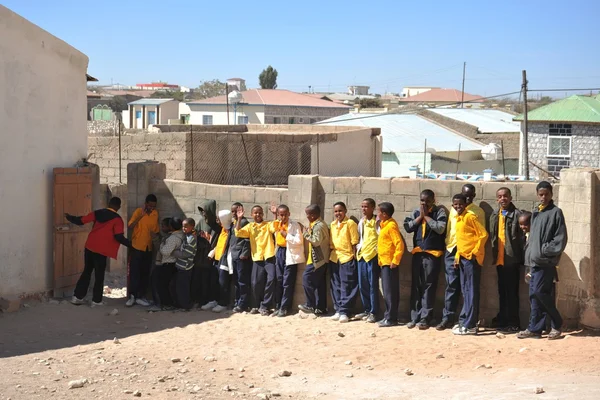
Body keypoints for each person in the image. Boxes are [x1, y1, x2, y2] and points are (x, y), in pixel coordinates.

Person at [517, 181, 567, 340]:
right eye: (540, 194)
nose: (543, 197)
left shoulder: (556, 213)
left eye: (546, 194)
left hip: (545, 262)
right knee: (533, 295)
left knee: (540, 292)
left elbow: (560, 239)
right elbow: (532, 239)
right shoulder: (536, 213)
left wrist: (545, 251)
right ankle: (535, 328)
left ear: (551, 194)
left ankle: (557, 323)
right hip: (532, 262)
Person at [437, 183, 486, 331]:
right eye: (465, 195)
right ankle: (448, 318)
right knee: (452, 285)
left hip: (469, 254)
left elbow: (482, 235)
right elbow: (451, 230)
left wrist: (475, 252)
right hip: (454, 251)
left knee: (469, 288)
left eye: (470, 196)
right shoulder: (455, 210)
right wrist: (449, 245)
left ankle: (468, 321)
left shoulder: (475, 213)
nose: (468, 198)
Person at [68, 197, 131, 307]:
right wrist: (131, 245)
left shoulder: (98, 213)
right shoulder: (117, 220)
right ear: (119, 207)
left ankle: (77, 297)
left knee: (87, 272)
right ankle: (96, 301)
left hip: (90, 246)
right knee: (99, 275)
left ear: (108, 203)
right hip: (102, 250)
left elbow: (81, 220)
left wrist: (69, 217)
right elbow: (118, 237)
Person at [404, 190, 447, 330]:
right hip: (418, 254)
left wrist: (427, 217)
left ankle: (425, 317)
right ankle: (414, 317)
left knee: (429, 285)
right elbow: (408, 227)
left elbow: (440, 229)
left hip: (432, 255)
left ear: (433, 201)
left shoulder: (439, 212)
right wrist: (420, 217)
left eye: (427, 201)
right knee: (417, 285)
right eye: (422, 201)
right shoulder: (416, 212)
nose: (424, 203)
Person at [451, 194, 488, 335]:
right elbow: (461, 240)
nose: (458, 207)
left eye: (460, 204)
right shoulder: (458, 219)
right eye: (455, 204)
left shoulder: (470, 217)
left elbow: (483, 235)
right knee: (465, 290)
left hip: (471, 260)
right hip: (462, 258)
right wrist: (456, 256)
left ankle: (471, 325)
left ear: (465, 204)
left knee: (471, 291)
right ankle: (465, 321)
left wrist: (475, 252)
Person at [489, 187, 524, 333]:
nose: (502, 199)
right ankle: (503, 319)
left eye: (505, 196)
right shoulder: (494, 215)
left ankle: (514, 322)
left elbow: (522, 238)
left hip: (512, 260)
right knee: (502, 292)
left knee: (512, 293)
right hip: (500, 260)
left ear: (510, 197)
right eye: (500, 196)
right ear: (497, 199)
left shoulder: (517, 215)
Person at [234, 205, 277, 316]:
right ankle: (256, 305)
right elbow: (238, 233)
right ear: (252, 214)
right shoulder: (250, 226)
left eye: (260, 213)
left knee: (271, 279)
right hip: (257, 258)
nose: (257, 215)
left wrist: (275, 214)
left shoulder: (267, 225)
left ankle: (265, 305)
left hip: (269, 256)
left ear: (263, 214)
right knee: (255, 283)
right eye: (255, 213)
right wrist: (239, 219)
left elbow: (275, 227)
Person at [271, 204, 305, 317]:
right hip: (280, 252)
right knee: (279, 280)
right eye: (281, 215)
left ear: (289, 214)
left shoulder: (294, 225)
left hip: (290, 254)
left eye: (285, 214)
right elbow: (272, 229)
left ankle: (285, 307)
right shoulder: (278, 223)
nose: (283, 217)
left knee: (287, 282)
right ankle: (278, 305)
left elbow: (299, 241)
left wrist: (287, 235)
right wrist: (274, 215)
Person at [329, 202, 360, 323]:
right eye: (336, 211)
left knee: (347, 285)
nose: (338, 213)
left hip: (347, 258)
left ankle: (345, 311)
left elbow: (354, 242)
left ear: (345, 211)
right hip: (334, 257)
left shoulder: (350, 224)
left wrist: (353, 258)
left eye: (340, 211)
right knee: (335, 285)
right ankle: (338, 309)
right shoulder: (332, 224)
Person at [127, 194, 159, 307]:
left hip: (148, 248)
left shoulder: (155, 214)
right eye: (150, 206)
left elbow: (156, 230)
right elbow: (130, 226)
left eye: (154, 206)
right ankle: (132, 296)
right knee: (134, 272)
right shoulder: (138, 212)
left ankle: (141, 296)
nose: (152, 208)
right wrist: (141, 216)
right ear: (145, 204)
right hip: (137, 246)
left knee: (145, 273)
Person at [299, 204, 331, 316]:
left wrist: (305, 233)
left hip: (318, 260)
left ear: (313, 215)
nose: (307, 216)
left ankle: (310, 305)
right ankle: (321, 308)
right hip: (321, 259)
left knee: (306, 278)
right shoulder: (318, 224)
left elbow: (316, 241)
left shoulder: (318, 226)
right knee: (320, 284)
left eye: (308, 214)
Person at [377, 202, 404, 327]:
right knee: (387, 291)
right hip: (384, 262)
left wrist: (395, 260)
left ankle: (391, 318)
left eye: (379, 212)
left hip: (390, 264)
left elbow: (399, 244)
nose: (377, 214)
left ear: (384, 214)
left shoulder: (391, 226)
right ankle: (388, 316)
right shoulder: (384, 225)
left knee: (390, 292)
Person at [149, 218, 185, 311]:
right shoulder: (180, 235)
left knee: (162, 285)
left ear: (171, 227)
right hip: (172, 263)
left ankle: (166, 304)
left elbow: (165, 252)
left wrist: (161, 244)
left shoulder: (173, 238)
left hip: (169, 263)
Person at [356, 198, 379, 323]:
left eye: (366, 207)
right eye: (362, 206)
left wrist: (376, 251)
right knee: (362, 284)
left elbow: (380, 238)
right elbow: (361, 237)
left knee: (372, 286)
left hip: (372, 256)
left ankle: (374, 312)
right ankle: (367, 309)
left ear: (372, 208)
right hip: (362, 256)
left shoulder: (377, 221)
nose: (364, 209)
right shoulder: (362, 221)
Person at [196, 200, 221, 311]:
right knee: (198, 279)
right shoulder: (201, 222)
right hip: (199, 256)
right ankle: (198, 300)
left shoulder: (217, 227)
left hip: (210, 257)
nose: (204, 214)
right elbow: (195, 234)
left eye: (206, 211)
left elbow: (220, 242)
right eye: (203, 212)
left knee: (208, 280)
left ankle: (207, 300)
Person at [229, 202, 252, 313]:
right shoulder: (234, 222)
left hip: (241, 256)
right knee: (237, 280)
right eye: (232, 211)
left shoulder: (244, 222)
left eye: (236, 211)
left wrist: (245, 253)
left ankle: (243, 304)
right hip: (234, 255)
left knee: (242, 281)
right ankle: (237, 301)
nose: (233, 213)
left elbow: (247, 240)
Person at [170, 218, 197, 311]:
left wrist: (173, 252)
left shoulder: (191, 239)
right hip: (180, 266)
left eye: (186, 227)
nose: (183, 228)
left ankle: (185, 306)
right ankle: (181, 304)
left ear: (192, 227)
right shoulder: (186, 236)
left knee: (183, 288)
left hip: (185, 267)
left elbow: (186, 254)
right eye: (182, 226)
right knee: (178, 286)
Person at [210, 209, 233, 313]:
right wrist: (213, 252)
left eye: (219, 219)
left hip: (224, 260)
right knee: (215, 281)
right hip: (217, 259)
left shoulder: (230, 231)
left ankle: (223, 303)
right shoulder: (222, 229)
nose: (217, 221)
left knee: (223, 282)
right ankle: (215, 300)